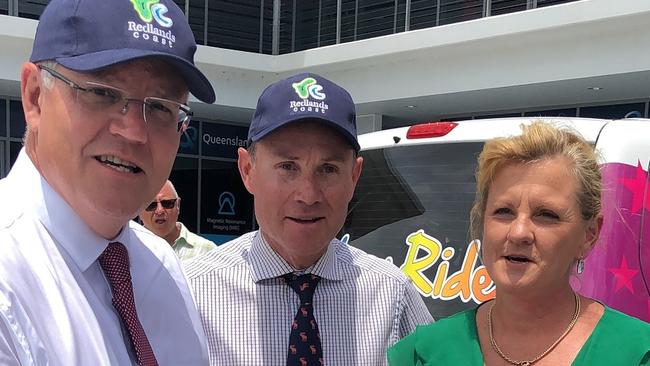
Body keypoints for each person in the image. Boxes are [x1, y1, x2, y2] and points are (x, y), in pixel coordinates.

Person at [0, 0, 217, 364]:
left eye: (161, 107)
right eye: (102, 92)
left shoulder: (161, 265)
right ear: (35, 97)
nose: (134, 131)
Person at [185, 73, 432, 365]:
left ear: (354, 177)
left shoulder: (392, 296)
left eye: (328, 169)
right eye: (288, 166)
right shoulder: (191, 295)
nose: (308, 195)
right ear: (247, 170)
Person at [388, 122, 650, 365]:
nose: (519, 232)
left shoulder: (637, 353)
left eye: (546, 215)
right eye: (503, 211)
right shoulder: (421, 353)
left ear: (589, 235)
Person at [140, 180, 216, 262]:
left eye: (167, 203)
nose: (159, 211)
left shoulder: (207, 250)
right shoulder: (128, 249)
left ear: (178, 205)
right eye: (151, 205)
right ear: (138, 210)